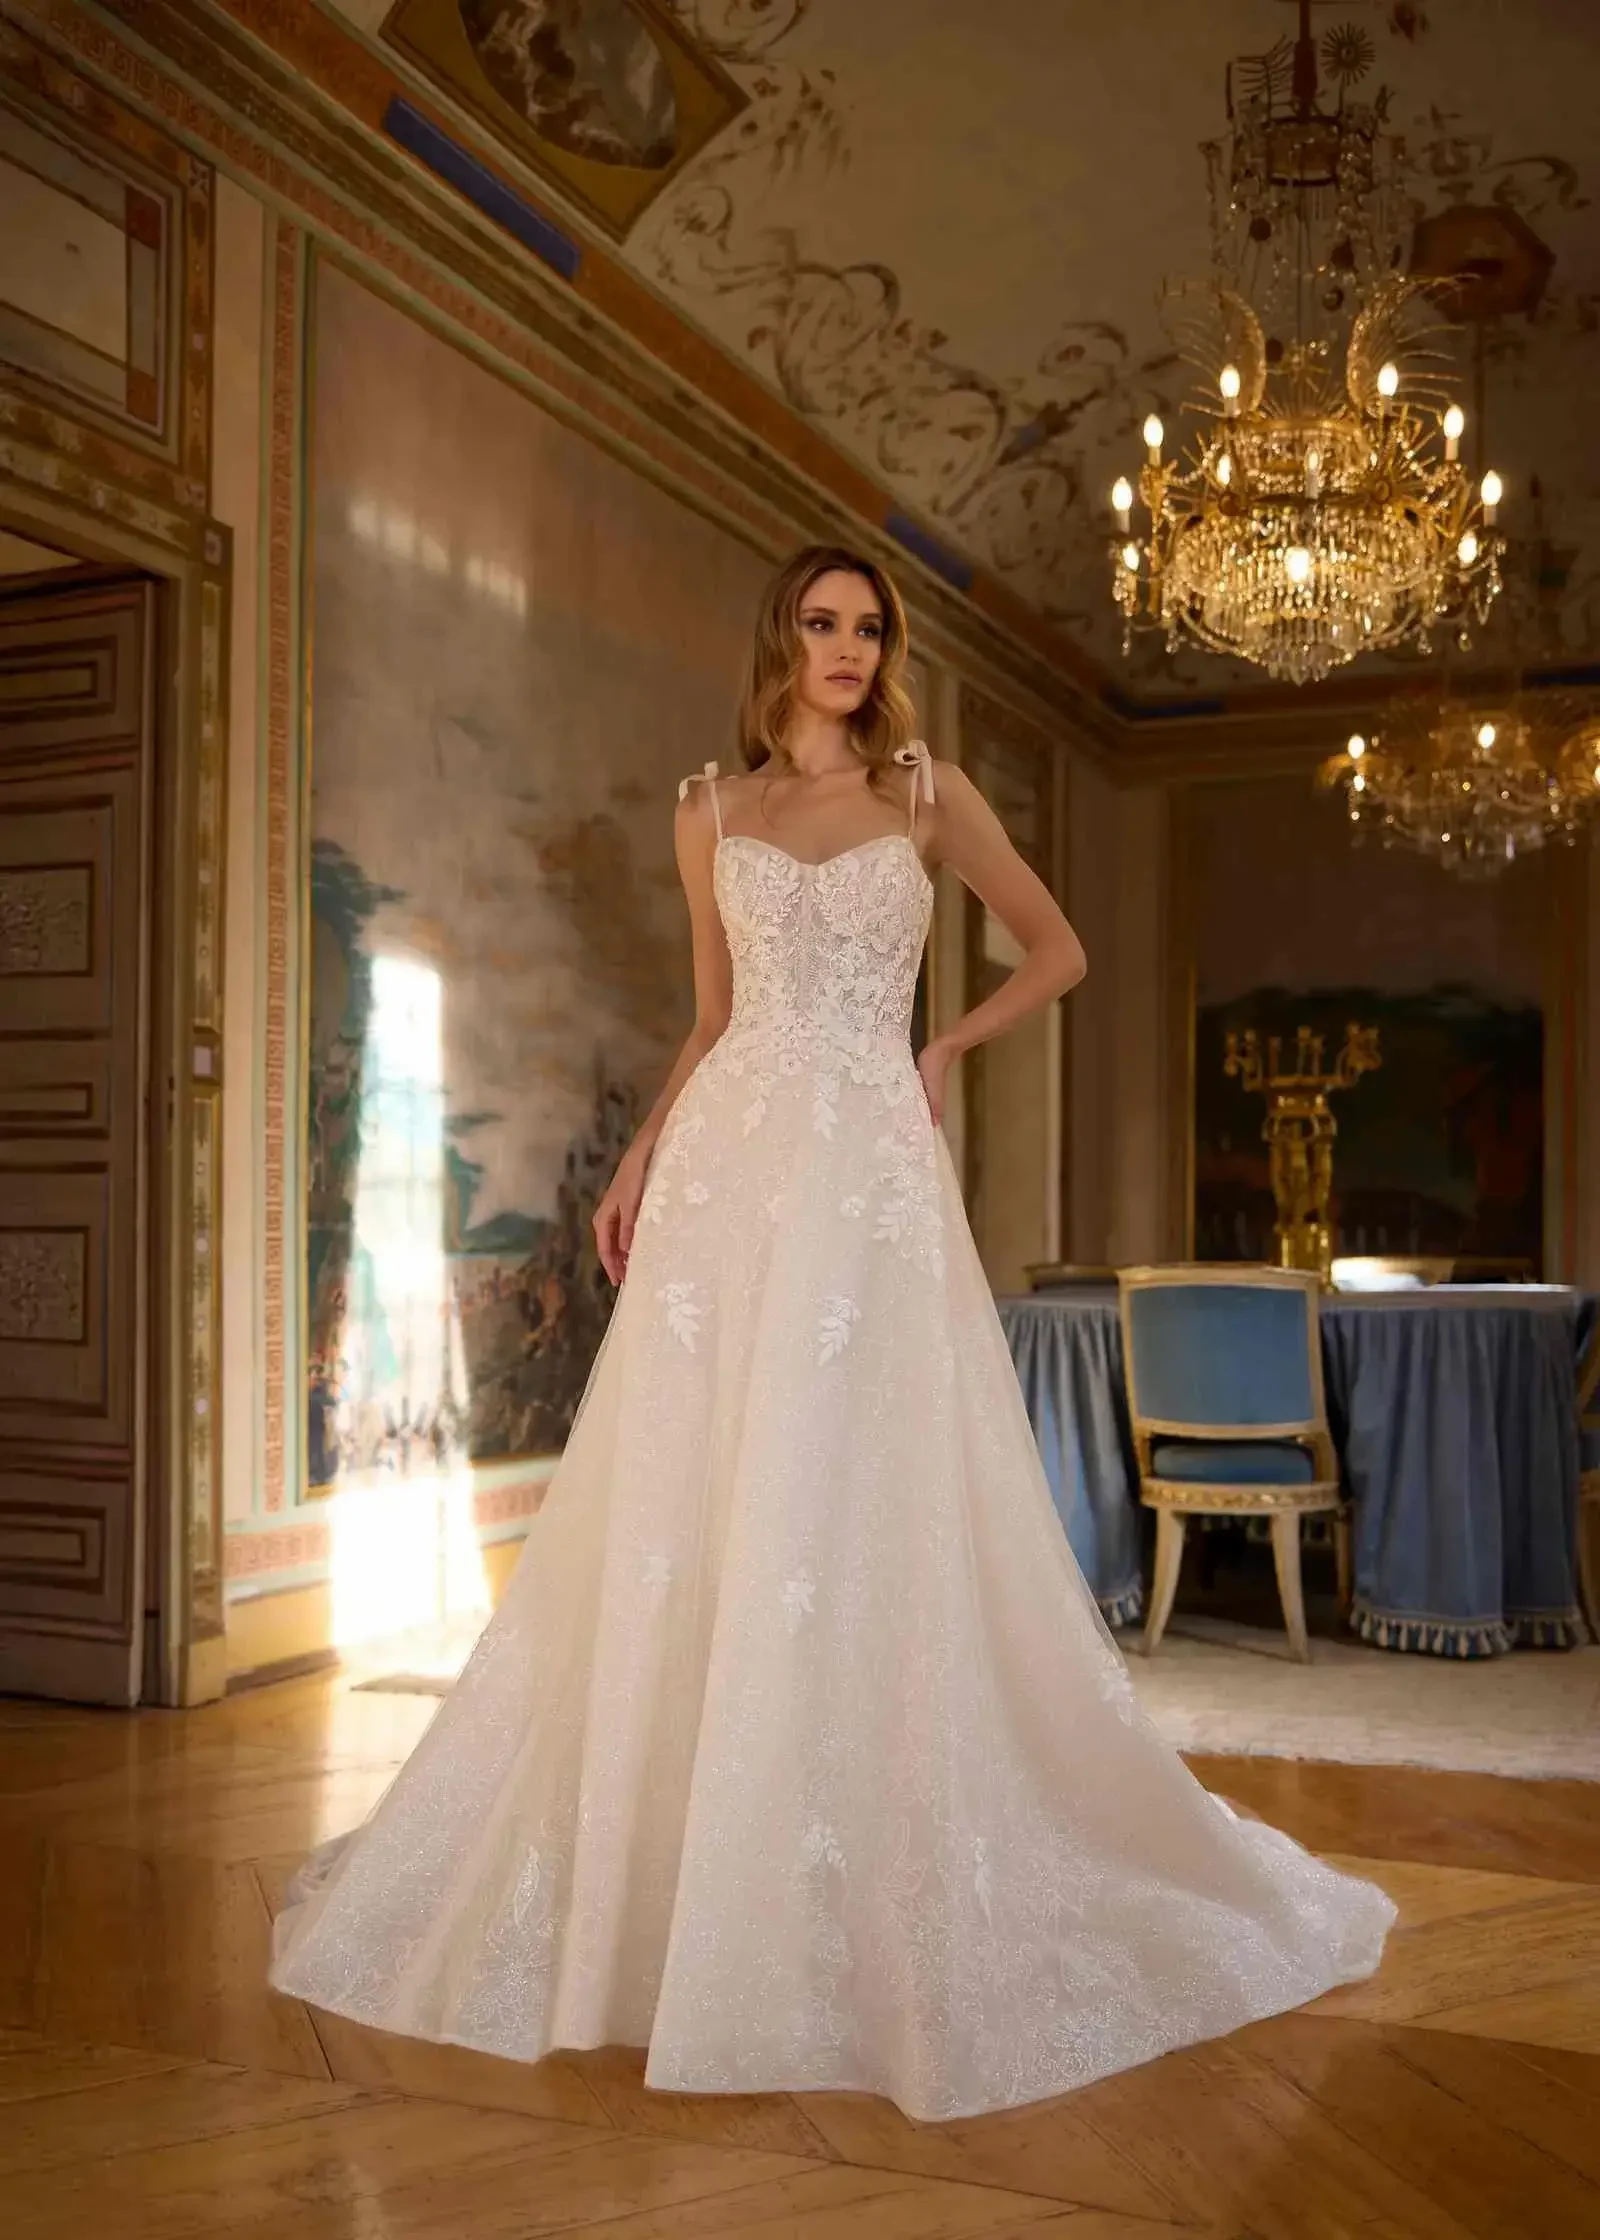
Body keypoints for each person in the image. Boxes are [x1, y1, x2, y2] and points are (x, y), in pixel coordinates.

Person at [269, 543, 1394, 2121]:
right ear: (780, 641)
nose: (850, 649)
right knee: (705, 1486)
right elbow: (719, 1020)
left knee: (860, 1487)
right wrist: (648, 1153)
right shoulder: (706, 813)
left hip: (867, 1164)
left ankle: (860, 1859)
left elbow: (1055, 947)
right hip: (734, 1167)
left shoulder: (928, 796)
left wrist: (945, 1039)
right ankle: (684, 1874)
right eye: (823, 624)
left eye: (871, 627)